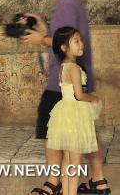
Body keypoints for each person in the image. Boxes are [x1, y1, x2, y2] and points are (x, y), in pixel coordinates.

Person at [23, 0, 111, 195]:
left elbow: (65, 42)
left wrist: (39, 39)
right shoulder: (71, 3)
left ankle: (54, 183)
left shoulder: (65, 5)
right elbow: (62, 38)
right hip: (75, 79)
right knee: (84, 134)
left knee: (51, 131)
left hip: (63, 84)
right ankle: (98, 181)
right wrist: (44, 29)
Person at [47, 27, 101, 195]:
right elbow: (79, 95)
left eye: (81, 40)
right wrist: (94, 98)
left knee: (67, 161)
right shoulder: (75, 69)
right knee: (75, 162)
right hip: (75, 115)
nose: (81, 44)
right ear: (64, 47)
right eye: (76, 41)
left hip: (64, 112)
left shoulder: (63, 67)